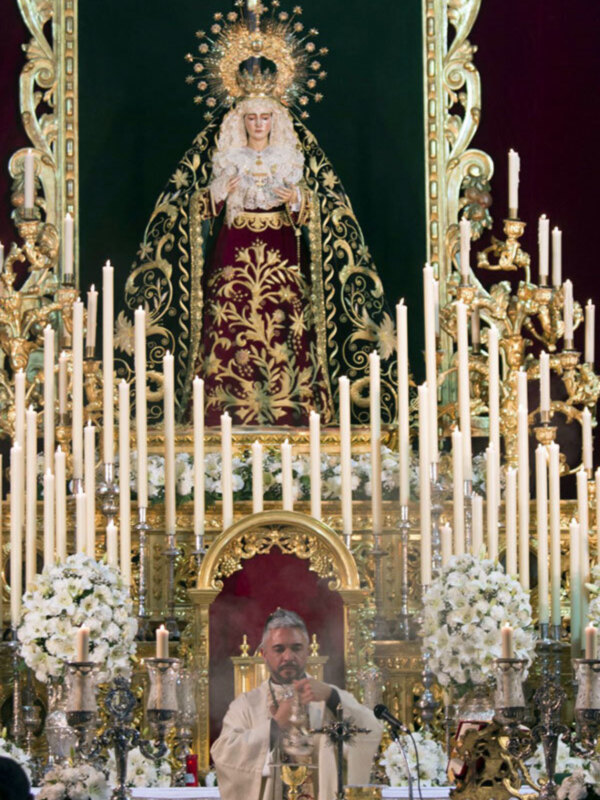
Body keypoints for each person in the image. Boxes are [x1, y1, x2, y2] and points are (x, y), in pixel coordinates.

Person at [117, 3, 398, 427]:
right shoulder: (229, 156)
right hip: (235, 245)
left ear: (276, 118)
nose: (260, 124)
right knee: (229, 321)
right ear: (241, 120)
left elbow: (321, 210)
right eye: (252, 117)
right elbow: (196, 207)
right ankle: (224, 409)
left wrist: (298, 201)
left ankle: (289, 409)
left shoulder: (290, 156)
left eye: (266, 116)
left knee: (284, 319)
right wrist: (217, 193)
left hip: (281, 244)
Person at [211, 608, 383, 800]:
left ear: (307, 651)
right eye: (279, 649)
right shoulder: (246, 705)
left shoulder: (328, 696)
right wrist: (275, 726)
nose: (288, 657)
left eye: (296, 648)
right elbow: (224, 753)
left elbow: (371, 729)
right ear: (263, 654)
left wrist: (332, 697)